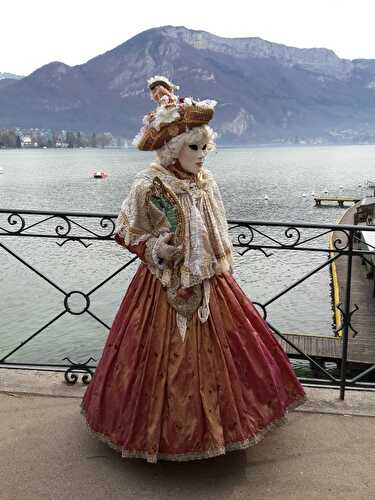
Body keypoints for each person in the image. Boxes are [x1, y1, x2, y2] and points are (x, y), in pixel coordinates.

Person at [80, 75, 307, 463]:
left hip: (211, 283)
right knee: (161, 364)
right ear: (172, 149)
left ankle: (226, 427)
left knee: (228, 356)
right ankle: (164, 436)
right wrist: (155, 248)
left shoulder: (205, 180)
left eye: (206, 146)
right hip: (163, 286)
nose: (202, 154)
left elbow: (216, 230)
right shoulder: (148, 184)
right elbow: (124, 231)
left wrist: (219, 263)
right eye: (194, 147)